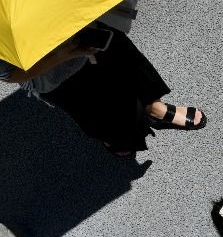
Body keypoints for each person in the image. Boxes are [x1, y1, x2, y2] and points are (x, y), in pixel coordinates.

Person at [0, 28, 206, 156]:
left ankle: (153, 108)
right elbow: (10, 74)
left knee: (127, 64)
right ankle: (120, 136)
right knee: (95, 107)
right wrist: (64, 55)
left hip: (84, 30)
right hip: (52, 72)